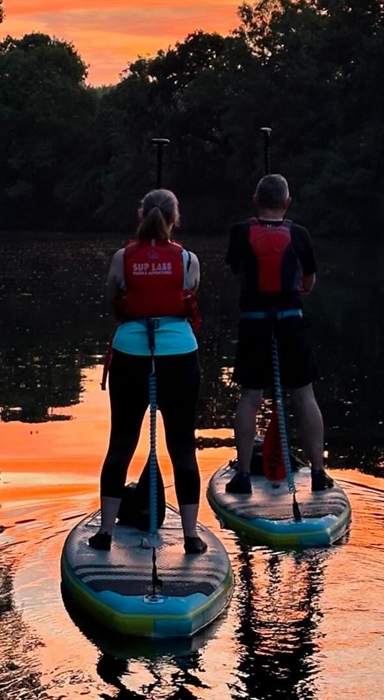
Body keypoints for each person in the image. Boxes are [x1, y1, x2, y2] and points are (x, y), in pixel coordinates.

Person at [89, 188, 207, 554]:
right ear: (174, 219)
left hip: (131, 353)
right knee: (183, 446)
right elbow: (190, 293)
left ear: (141, 216)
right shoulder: (188, 259)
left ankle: (105, 533)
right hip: (180, 355)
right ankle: (191, 537)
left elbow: (112, 297)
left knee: (121, 443)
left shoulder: (122, 257)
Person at [224, 173, 334, 495]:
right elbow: (309, 282)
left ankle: (243, 475)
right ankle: (318, 472)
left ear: (256, 200)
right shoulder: (300, 234)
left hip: (254, 324)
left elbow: (237, 270)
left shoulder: (240, 231)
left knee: (250, 397)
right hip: (291, 323)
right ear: (287, 202)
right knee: (304, 395)